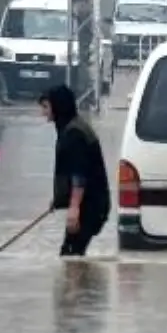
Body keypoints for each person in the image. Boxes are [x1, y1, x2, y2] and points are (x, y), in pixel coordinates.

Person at [39, 84, 112, 257]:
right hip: (89, 203)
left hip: (91, 205)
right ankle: (86, 283)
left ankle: (83, 284)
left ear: (58, 106)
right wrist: (59, 199)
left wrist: (74, 208)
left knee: (70, 254)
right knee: (72, 255)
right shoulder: (70, 128)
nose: (43, 112)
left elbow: (80, 174)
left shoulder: (74, 134)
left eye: (46, 107)